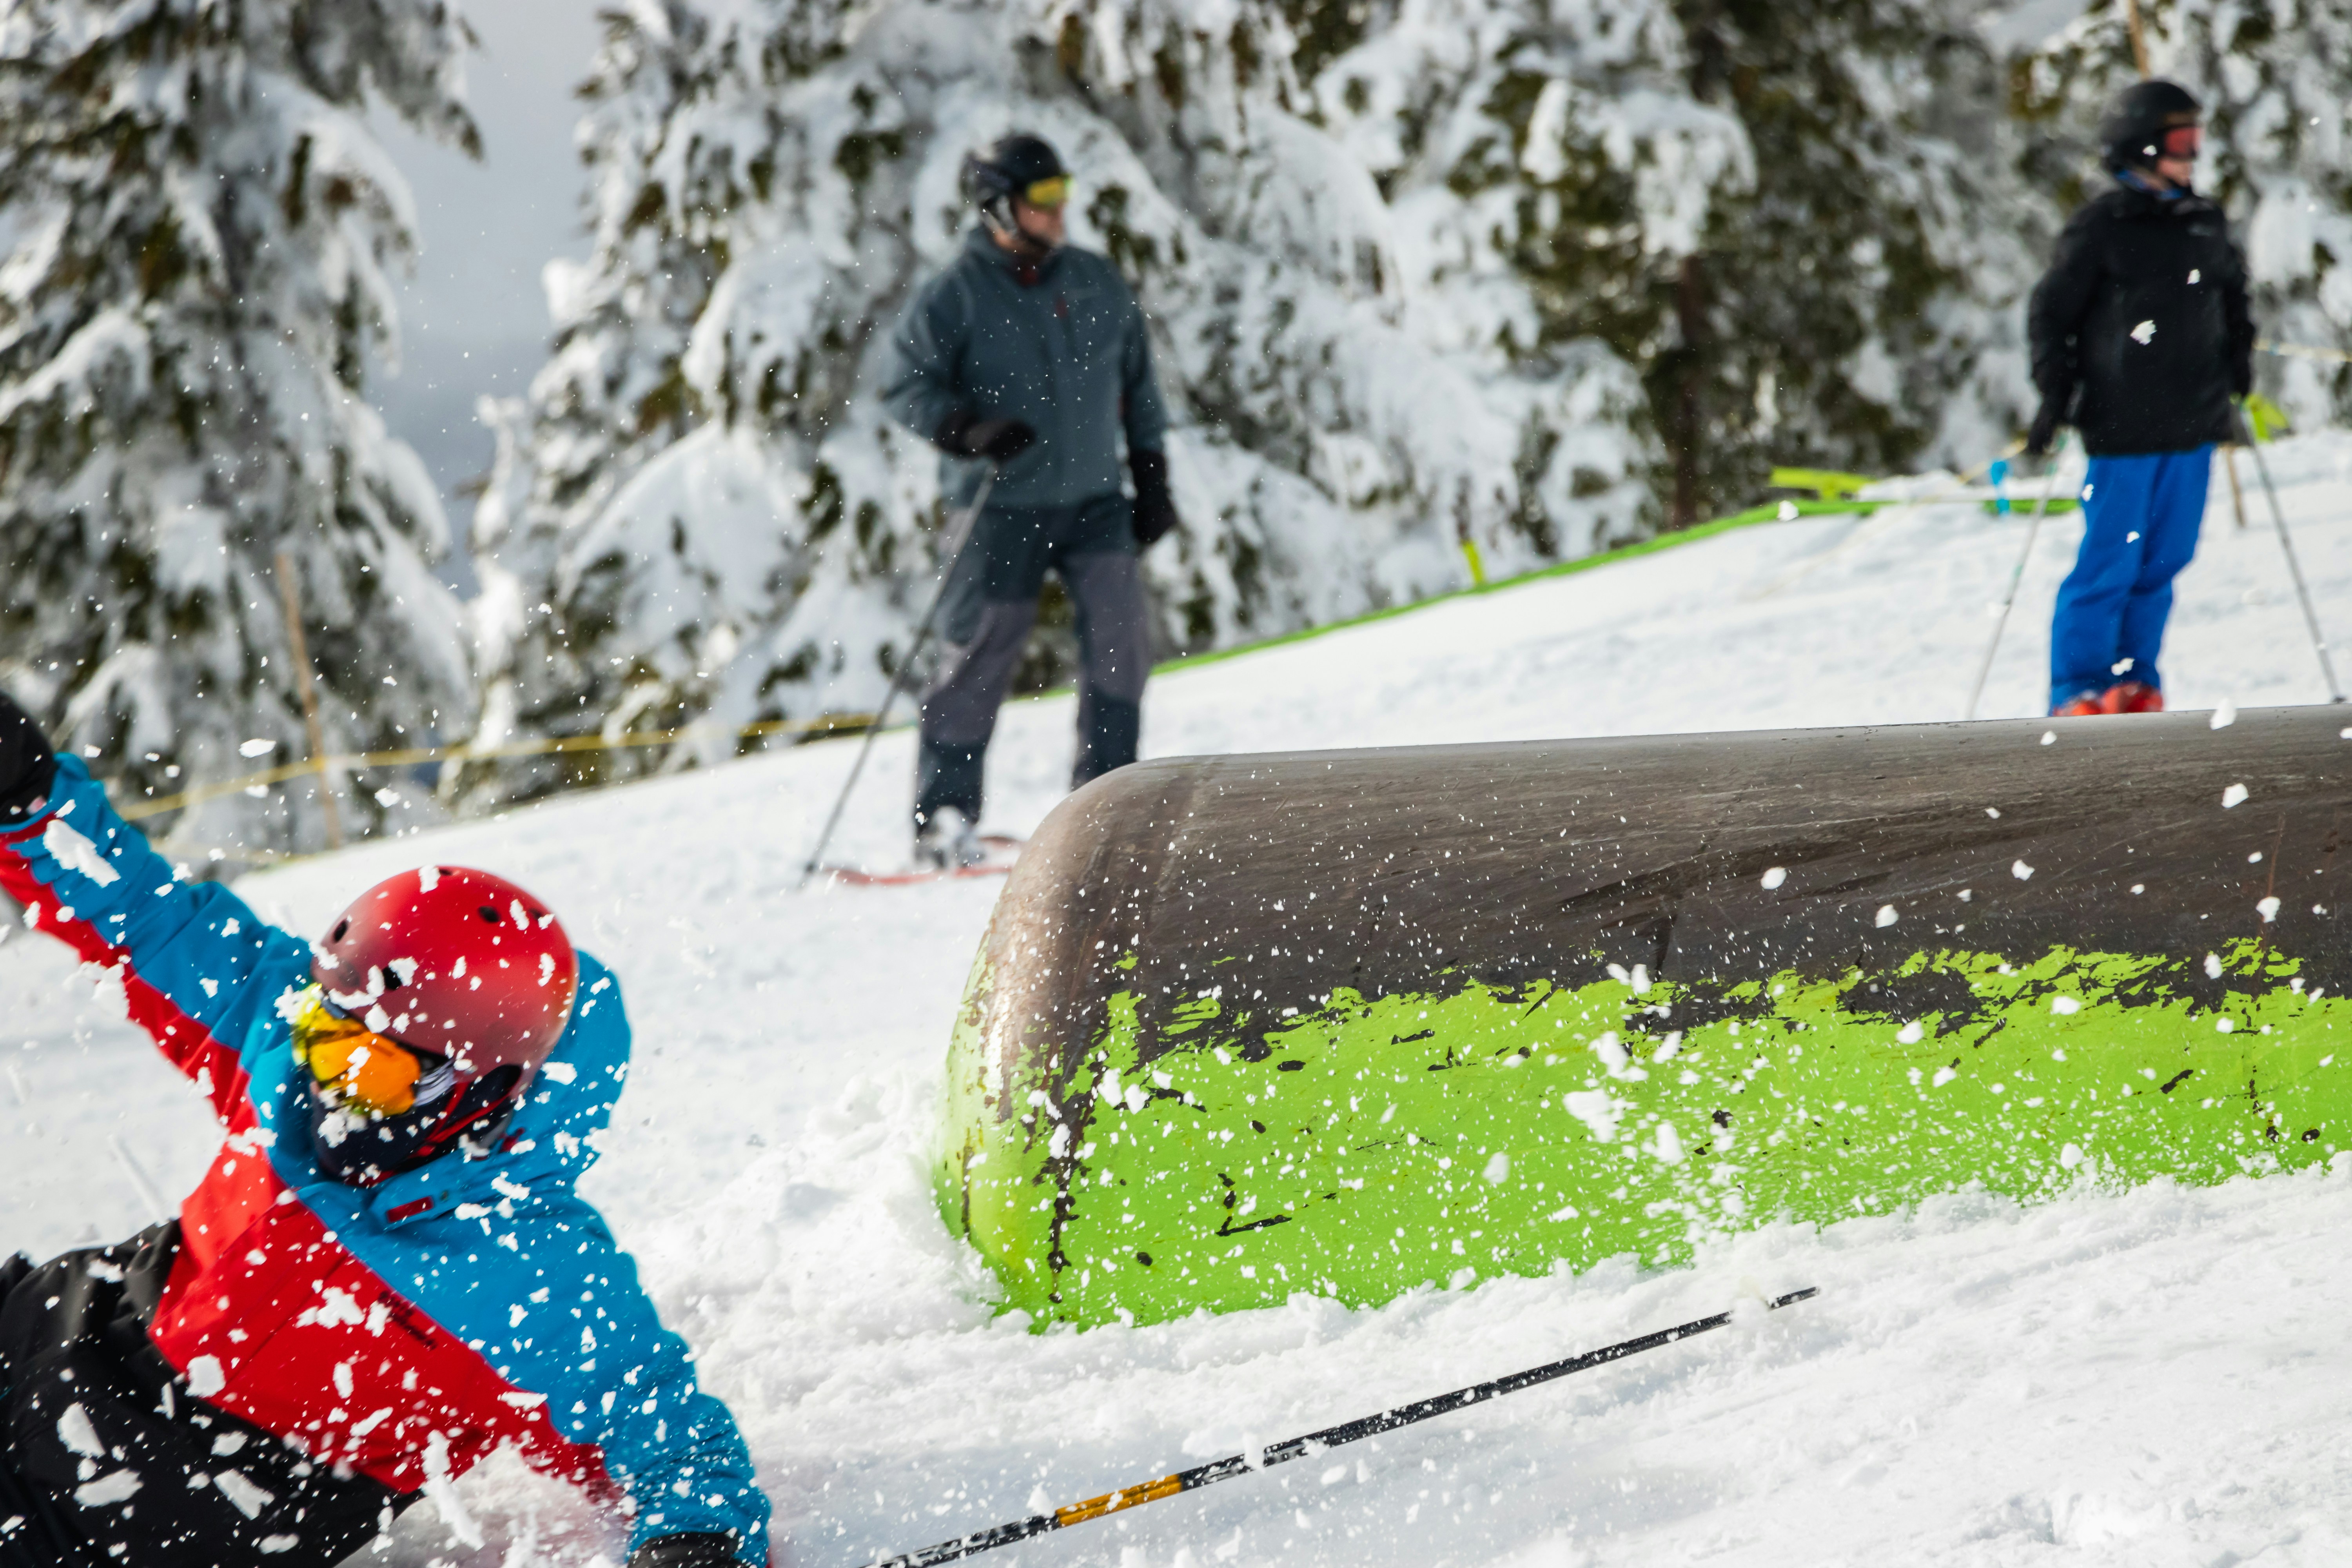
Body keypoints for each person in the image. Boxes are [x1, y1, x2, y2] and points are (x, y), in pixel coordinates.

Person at [0, 693, 769, 1568]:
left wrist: (695, 1540)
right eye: (329, 1039)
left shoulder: (528, 1268)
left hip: (148, 1511)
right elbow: (148, 917)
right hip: (54, 1329)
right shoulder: (286, 1032)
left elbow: (673, 1441)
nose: (330, 1088)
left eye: (375, 1071)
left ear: (480, 1087)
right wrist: (28, 798)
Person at [882, 132, 1180, 869]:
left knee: (1121, 639)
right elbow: (904, 387)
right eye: (1042, 198)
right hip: (1000, 507)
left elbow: (1138, 384)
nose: (1060, 209)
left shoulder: (1096, 280)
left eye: (1062, 193)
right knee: (981, 655)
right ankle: (946, 817)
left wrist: (1153, 476)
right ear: (1000, 206)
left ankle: (1106, 804)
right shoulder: (955, 295)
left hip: (1092, 499)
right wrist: (967, 429)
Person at [2025, 79, 2254, 718]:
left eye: (2196, 140)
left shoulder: (2202, 221)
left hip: (2194, 421)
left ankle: (2133, 680)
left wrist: (2239, 354)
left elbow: (2235, 297)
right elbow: (2051, 312)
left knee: (2165, 560)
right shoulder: (2105, 224)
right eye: (2182, 141)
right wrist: (2055, 392)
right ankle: (2080, 687)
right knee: (2110, 563)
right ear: (2142, 145)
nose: (2193, 155)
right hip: (2124, 424)